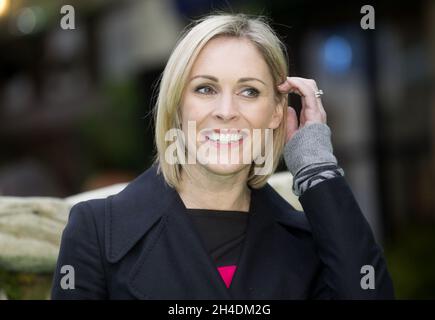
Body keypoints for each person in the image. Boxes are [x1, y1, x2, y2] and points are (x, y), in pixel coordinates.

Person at [51, 13, 394, 299]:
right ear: (177, 105)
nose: (226, 111)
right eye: (205, 89)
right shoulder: (97, 231)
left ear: (276, 112)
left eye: (249, 91)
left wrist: (315, 162)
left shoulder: (308, 240)